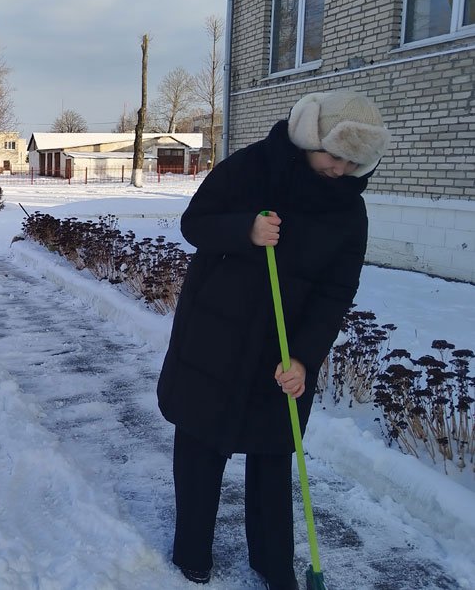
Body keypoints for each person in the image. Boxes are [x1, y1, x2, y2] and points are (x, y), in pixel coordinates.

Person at [156, 90, 392, 588]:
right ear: (311, 139)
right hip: (217, 332)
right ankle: (191, 549)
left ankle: (273, 560)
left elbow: (336, 289)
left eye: (353, 161)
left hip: (284, 346)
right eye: (333, 154)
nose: (340, 169)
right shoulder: (254, 167)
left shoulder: (350, 211)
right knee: (201, 443)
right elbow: (195, 223)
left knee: (272, 451)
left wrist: (306, 358)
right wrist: (246, 229)